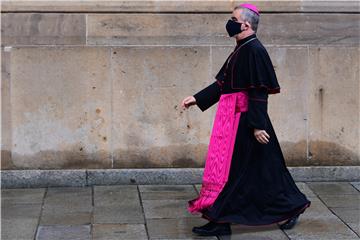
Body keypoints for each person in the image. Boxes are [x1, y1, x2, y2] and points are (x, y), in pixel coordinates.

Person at [180, 3, 311, 237]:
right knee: (253, 171)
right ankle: (221, 218)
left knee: (252, 170)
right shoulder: (241, 48)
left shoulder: (255, 50)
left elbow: (258, 92)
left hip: (248, 121)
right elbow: (223, 84)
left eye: (233, 18)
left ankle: (288, 207)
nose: (230, 22)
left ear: (246, 24)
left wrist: (258, 126)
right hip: (234, 118)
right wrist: (197, 98)